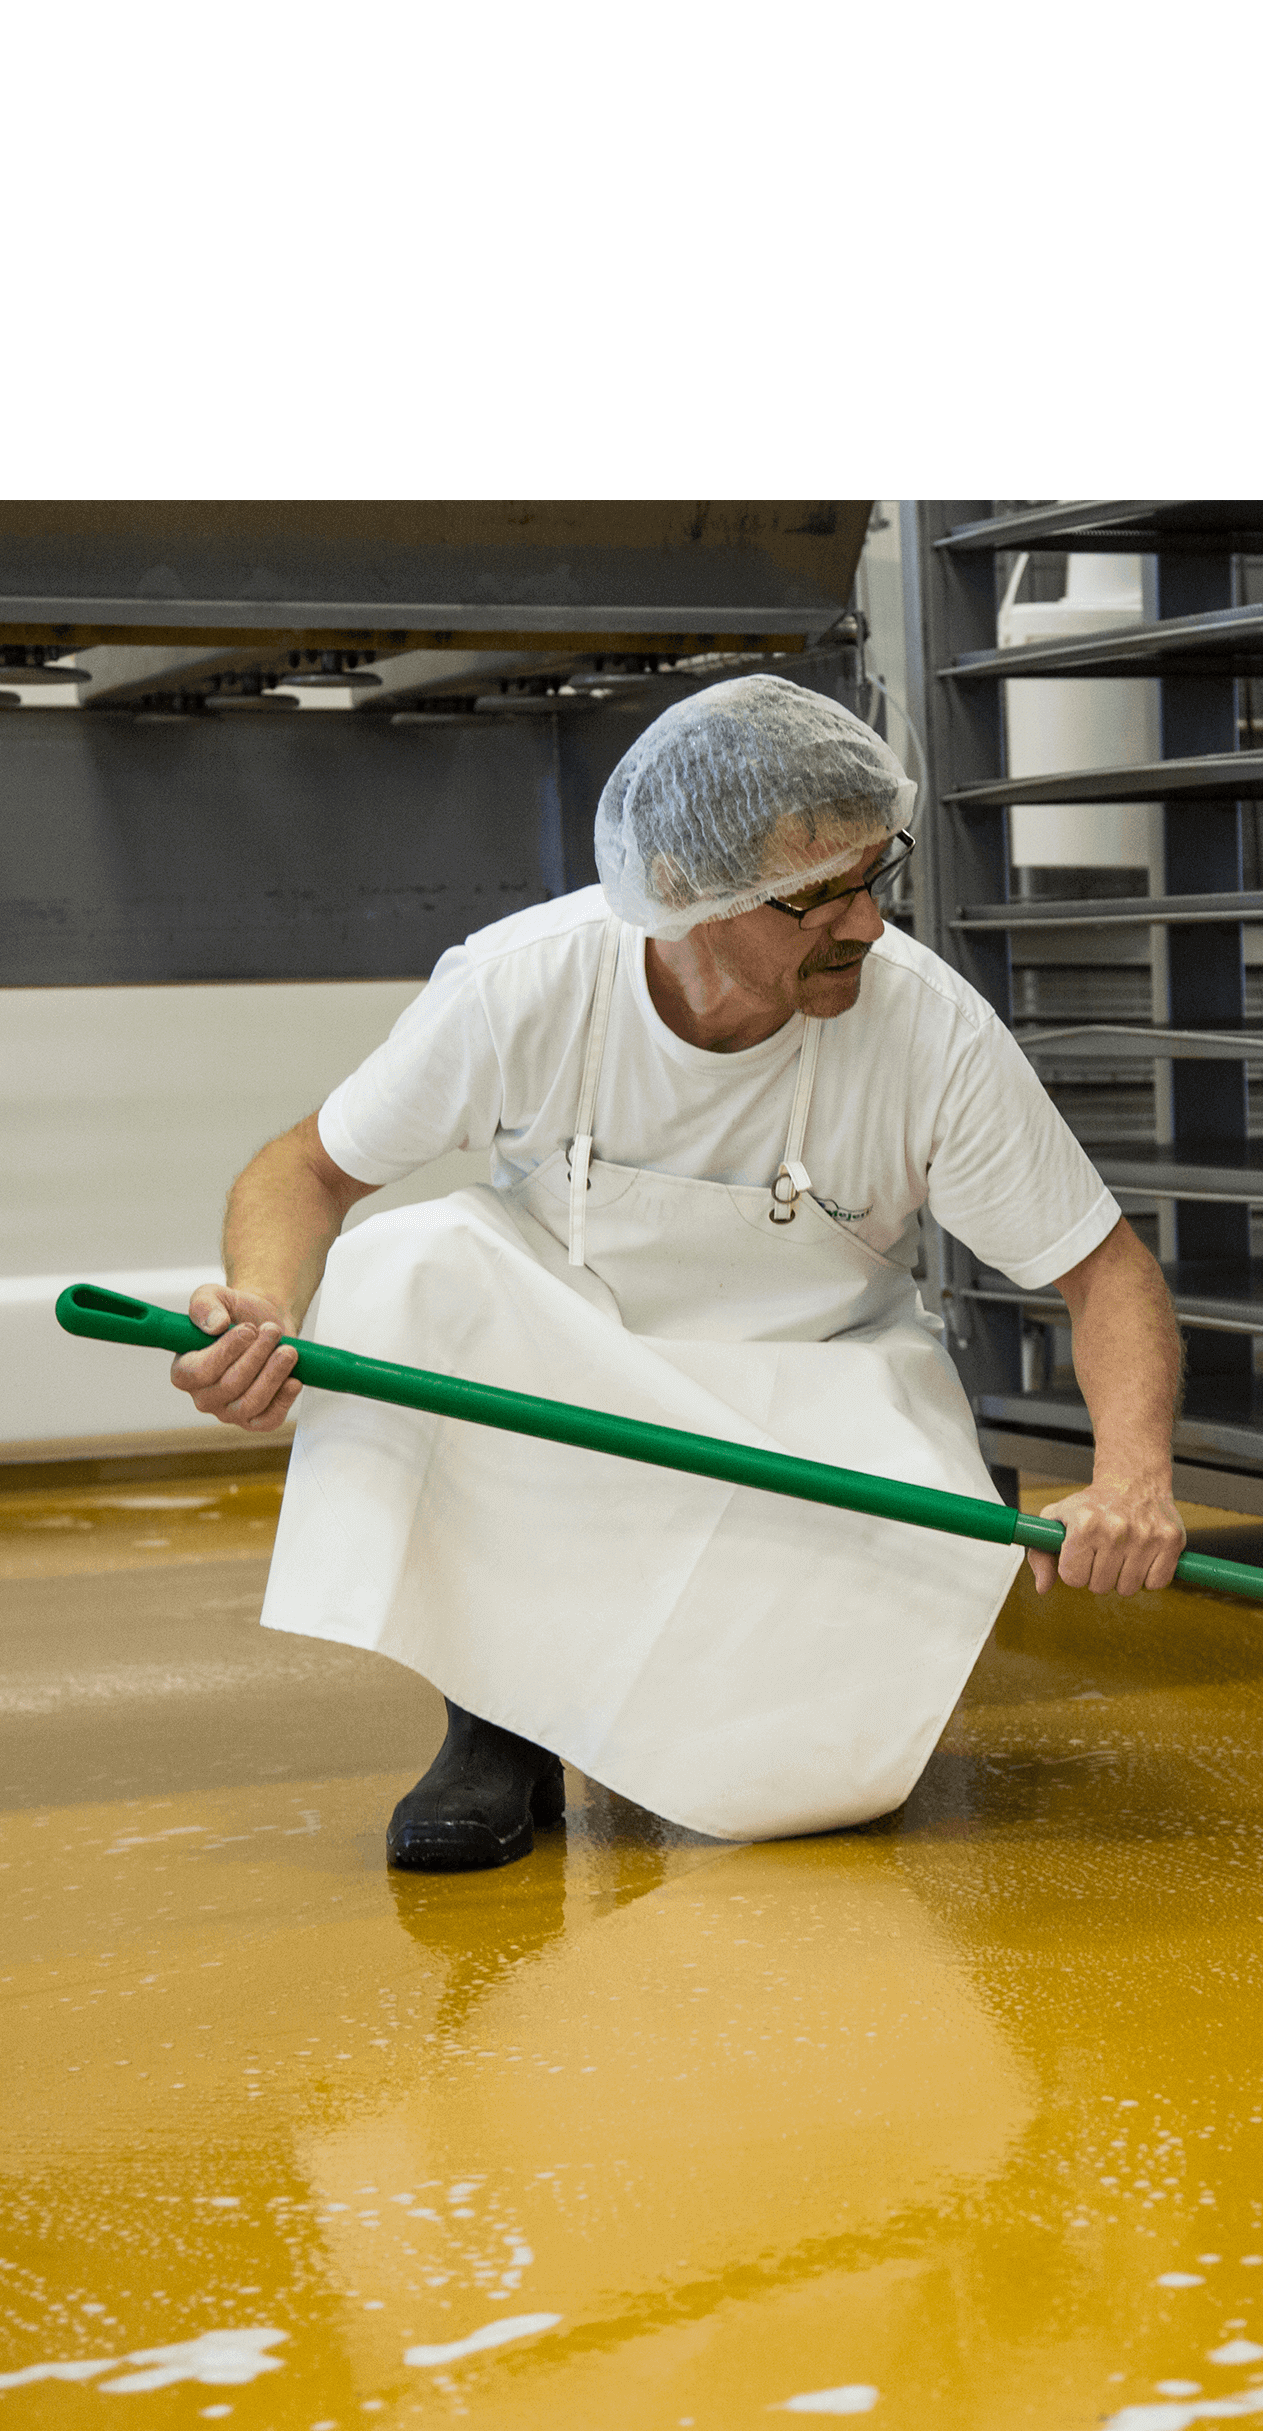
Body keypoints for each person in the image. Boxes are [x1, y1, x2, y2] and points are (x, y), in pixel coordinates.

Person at [168, 674, 1186, 1867]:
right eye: (816, 895)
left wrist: (1132, 1476)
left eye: (875, 876)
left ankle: (703, 1718)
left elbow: (1104, 1273)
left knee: (818, 1790)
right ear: (692, 896)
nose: (864, 923)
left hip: (816, 1391)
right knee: (412, 1263)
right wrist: (262, 1305)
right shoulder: (526, 985)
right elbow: (305, 1172)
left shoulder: (930, 1031)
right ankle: (495, 1723)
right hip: (574, 1380)